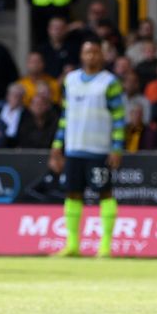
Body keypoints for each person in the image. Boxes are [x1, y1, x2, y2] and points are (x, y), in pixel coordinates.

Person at [49, 39, 125, 258]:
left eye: (95, 52)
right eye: (87, 52)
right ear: (81, 55)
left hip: (99, 149)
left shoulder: (109, 82)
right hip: (74, 147)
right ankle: (73, 244)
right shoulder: (71, 80)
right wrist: (57, 145)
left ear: (101, 55)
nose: (91, 56)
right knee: (73, 193)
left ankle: (105, 246)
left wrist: (117, 147)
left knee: (104, 193)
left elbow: (119, 118)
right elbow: (65, 115)